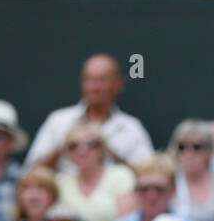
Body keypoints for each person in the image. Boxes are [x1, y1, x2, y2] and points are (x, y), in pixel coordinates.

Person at [25, 54, 155, 170]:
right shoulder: (59, 121)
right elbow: (30, 171)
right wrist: (66, 147)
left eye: (101, 80)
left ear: (118, 84)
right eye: (88, 80)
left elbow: (148, 175)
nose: (94, 87)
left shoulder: (131, 127)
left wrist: (107, 152)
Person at [50, 120, 135, 221]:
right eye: (73, 146)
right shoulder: (61, 183)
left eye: (91, 144)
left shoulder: (120, 176)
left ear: (102, 149)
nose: (82, 150)